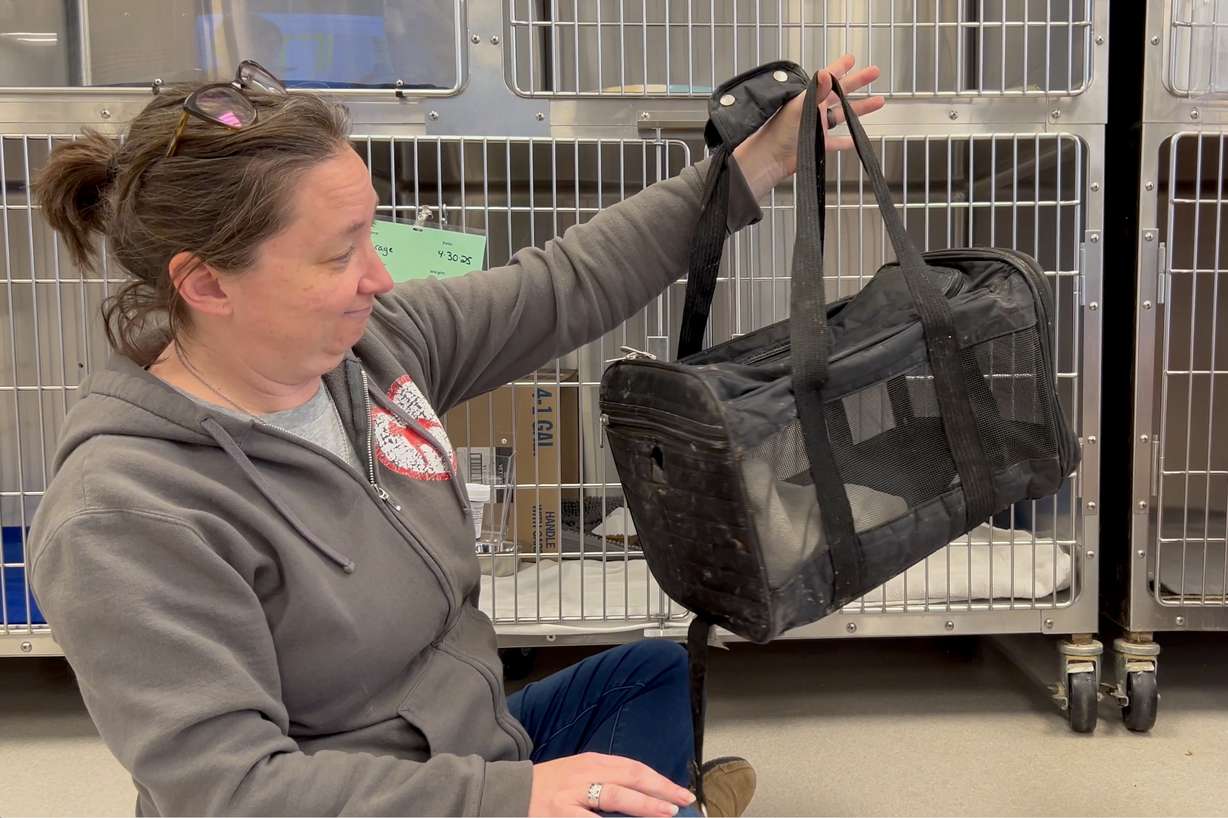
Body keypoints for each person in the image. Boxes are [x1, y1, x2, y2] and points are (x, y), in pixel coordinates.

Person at [28, 54, 883, 817]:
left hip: (464, 743)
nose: (379, 275)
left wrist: (758, 162)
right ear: (207, 285)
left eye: (371, 233)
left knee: (649, 676)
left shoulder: (372, 352)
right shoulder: (127, 515)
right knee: (626, 785)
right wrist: (505, 799)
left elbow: (563, 284)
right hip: (369, 801)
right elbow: (232, 794)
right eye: (339, 254)